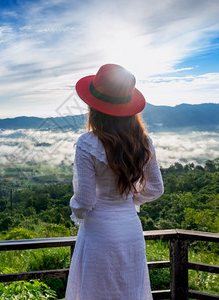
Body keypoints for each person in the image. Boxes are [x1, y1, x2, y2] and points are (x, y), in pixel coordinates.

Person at [65, 64, 164, 300]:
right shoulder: (144, 141)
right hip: (130, 229)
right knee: (130, 289)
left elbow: (85, 200)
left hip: (99, 232)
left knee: (96, 291)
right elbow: (156, 188)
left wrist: (75, 211)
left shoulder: (87, 143)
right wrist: (129, 198)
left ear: (94, 109)